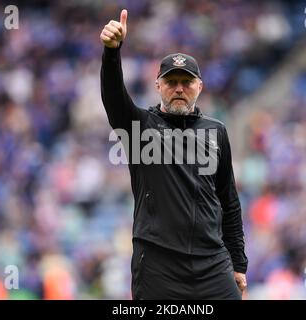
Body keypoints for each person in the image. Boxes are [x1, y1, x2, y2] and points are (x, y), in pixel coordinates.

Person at [100, 9, 248, 300]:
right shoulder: (141, 128)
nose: (179, 88)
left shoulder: (216, 131)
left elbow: (228, 202)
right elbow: (114, 97)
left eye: (186, 82)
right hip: (159, 264)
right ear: (158, 86)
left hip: (211, 261)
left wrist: (238, 263)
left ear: (199, 87)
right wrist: (112, 52)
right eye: (171, 82)